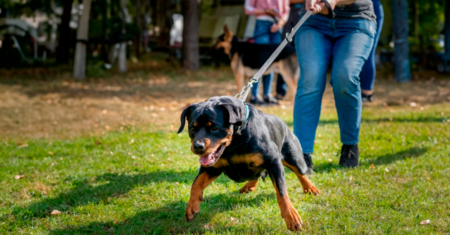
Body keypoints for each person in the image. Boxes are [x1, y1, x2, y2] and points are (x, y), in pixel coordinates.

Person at [293, 0, 376, 172]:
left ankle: (350, 145)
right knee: (311, 78)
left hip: (356, 21)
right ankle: (301, 154)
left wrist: (332, 2)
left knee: (345, 76)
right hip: (313, 22)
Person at [245, 0, 290, 105]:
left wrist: (280, 23)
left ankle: (267, 95)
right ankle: (254, 95)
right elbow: (248, 8)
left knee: (273, 61)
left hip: (277, 26)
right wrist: (265, 10)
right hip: (262, 23)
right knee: (259, 61)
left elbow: (285, 10)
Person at [359, 0, 384, 102]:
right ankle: (361, 91)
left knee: (368, 53)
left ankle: (366, 93)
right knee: (359, 53)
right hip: (357, 12)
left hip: (371, 11)